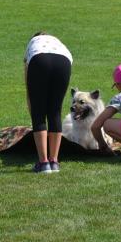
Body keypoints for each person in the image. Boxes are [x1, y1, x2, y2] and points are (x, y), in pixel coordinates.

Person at [24, 32, 72, 173]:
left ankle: (43, 163)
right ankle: (54, 162)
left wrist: (32, 106)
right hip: (64, 62)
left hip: (39, 61)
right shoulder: (58, 43)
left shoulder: (32, 44)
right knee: (55, 111)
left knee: (39, 112)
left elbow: (27, 80)